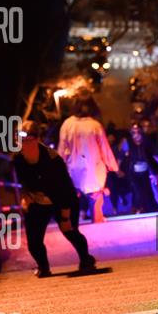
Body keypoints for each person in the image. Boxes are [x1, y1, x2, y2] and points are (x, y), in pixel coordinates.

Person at [13, 121, 97, 277]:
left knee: (69, 231)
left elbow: (65, 190)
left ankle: (86, 259)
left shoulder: (53, 159)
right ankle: (43, 267)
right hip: (38, 201)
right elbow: (21, 181)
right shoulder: (17, 159)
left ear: (37, 139)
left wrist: (65, 216)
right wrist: (25, 197)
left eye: (28, 140)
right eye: (20, 141)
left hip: (62, 199)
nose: (24, 145)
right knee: (33, 240)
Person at [58, 93, 118, 222]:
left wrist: (58, 167)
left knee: (74, 198)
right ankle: (97, 220)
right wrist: (111, 165)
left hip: (74, 168)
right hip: (94, 168)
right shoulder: (95, 125)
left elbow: (62, 148)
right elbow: (104, 147)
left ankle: (74, 222)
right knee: (95, 198)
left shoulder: (67, 124)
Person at [124, 123, 158, 214]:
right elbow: (122, 155)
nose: (136, 134)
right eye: (134, 132)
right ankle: (138, 208)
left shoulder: (146, 141)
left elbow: (153, 154)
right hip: (134, 172)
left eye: (138, 131)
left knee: (147, 190)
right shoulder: (128, 142)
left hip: (146, 171)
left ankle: (149, 208)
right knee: (137, 191)